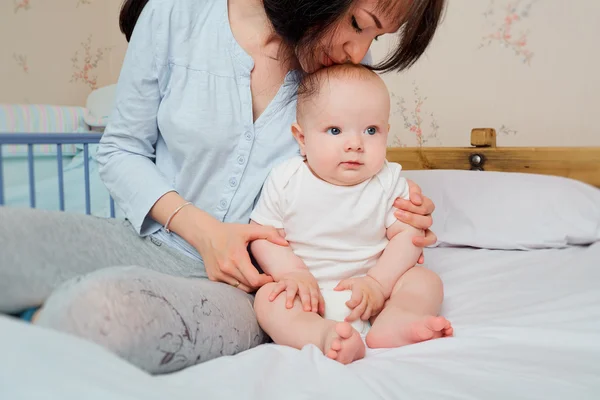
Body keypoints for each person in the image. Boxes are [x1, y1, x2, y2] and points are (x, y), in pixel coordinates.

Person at [0, 0, 444, 374]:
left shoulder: (340, 68)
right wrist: (205, 233)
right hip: (149, 242)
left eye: (375, 37)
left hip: (253, 289)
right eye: (358, 23)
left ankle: (40, 325)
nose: (359, 50)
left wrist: (404, 211)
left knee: (99, 313)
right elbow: (120, 150)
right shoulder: (175, 13)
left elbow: (358, 174)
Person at [250, 63, 452, 364]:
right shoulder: (286, 180)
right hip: (309, 295)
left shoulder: (388, 181)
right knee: (268, 300)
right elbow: (262, 237)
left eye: (371, 130)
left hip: (375, 292)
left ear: (386, 132)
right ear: (302, 138)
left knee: (425, 281)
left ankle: (395, 323)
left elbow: (409, 236)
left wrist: (378, 284)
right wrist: (292, 274)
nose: (355, 144)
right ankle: (322, 336)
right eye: (335, 130)